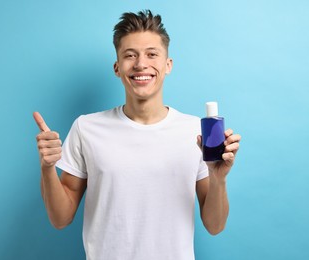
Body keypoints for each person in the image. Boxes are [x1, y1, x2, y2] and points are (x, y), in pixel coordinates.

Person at [33, 10, 241, 260]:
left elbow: (215, 226)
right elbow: (60, 218)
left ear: (168, 65)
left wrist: (218, 179)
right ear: (117, 67)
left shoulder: (196, 132)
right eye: (130, 55)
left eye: (152, 54)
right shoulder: (86, 128)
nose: (141, 64)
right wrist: (47, 169)